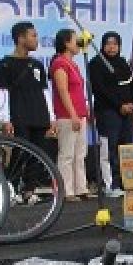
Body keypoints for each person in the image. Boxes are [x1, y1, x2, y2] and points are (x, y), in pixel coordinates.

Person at [0, 21, 55, 160]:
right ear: (21, 38)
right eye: (33, 36)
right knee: (20, 156)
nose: (36, 39)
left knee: (39, 157)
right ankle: (16, 182)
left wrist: (51, 118)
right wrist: (5, 120)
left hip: (40, 118)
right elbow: (2, 93)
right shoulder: (5, 65)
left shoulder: (37, 64)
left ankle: (33, 182)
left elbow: (45, 92)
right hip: (19, 118)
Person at [88, 31, 133, 196]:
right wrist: (119, 105)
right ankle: (110, 184)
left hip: (127, 113)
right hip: (107, 112)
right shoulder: (96, 63)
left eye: (115, 44)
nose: (111, 47)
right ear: (102, 45)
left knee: (125, 148)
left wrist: (132, 104)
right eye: (108, 43)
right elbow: (100, 89)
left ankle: (125, 182)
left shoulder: (124, 63)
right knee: (109, 149)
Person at [50, 29, 90, 201]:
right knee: (67, 154)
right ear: (66, 43)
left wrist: (83, 113)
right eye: (75, 40)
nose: (78, 43)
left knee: (80, 153)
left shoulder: (73, 64)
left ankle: (81, 187)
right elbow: (63, 91)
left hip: (80, 114)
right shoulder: (59, 64)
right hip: (67, 115)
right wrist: (73, 114)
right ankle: (66, 190)